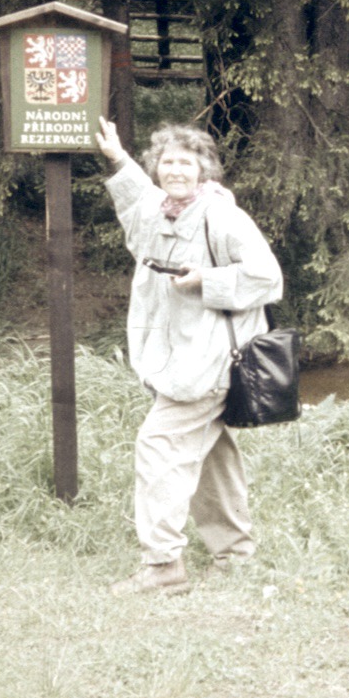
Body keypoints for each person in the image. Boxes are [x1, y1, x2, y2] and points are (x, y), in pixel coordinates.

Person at [94, 116, 284, 595]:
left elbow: (267, 277)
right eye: (167, 162)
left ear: (205, 170)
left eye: (186, 162)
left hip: (210, 361)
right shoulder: (160, 208)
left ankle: (163, 568)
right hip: (180, 356)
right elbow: (137, 196)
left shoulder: (221, 216)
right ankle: (235, 554)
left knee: (159, 447)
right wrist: (118, 156)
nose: (175, 170)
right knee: (210, 455)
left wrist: (207, 279)